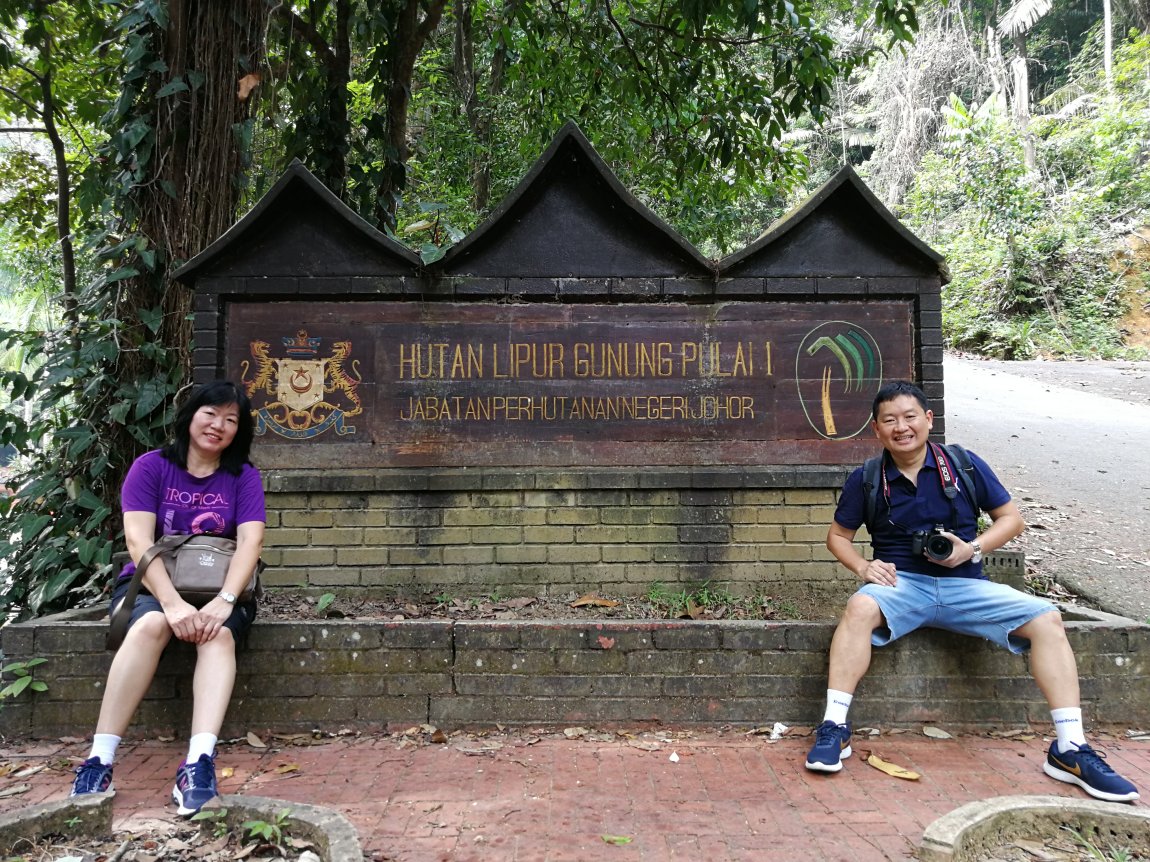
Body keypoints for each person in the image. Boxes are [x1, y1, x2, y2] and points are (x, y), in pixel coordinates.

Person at [804, 380, 1138, 803]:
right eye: (890, 420)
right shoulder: (867, 478)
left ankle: (1070, 748)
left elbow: (1011, 520)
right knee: (858, 608)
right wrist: (863, 566)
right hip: (902, 586)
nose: (901, 427)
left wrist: (971, 548)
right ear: (876, 429)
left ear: (928, 419)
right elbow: (838, 536)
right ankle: (835, 727)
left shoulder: (963, 464)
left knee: (1047, 618)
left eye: (910, 417)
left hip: (966, 585)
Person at [69, 380, 266, 816]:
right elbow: (138, 542)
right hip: (152, 585)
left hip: (221, 589)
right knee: (151, 624)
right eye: (210, 414)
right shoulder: (151, 467)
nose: (218, 425)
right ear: (190, 416)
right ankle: (98, 760)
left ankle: (198, 764)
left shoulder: (243, 477)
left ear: (239, 432)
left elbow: (251, 544)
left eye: (231, 420)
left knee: (217, 636)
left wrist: (226, 601)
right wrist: (174, 605)